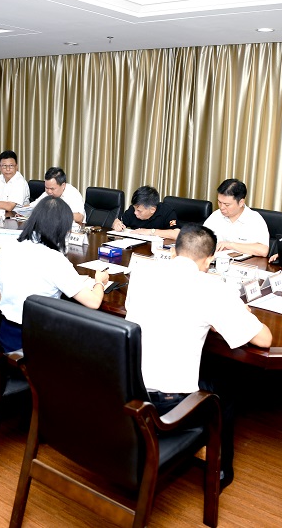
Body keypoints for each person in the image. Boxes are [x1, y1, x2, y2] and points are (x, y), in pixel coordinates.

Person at [125, 223, 272, 490]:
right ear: (209, 260)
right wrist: (241, 314)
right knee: (225, 390)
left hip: (129, 388)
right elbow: (264, 339)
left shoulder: (141, 272)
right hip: (167, 405)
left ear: (174, 250)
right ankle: (220, 471)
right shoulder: (213, 287)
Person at [0, 197, 108, 353]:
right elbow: (93, 302)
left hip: (7, 337)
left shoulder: (7, 248)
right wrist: (99, 281)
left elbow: (1, 295)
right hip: (40, 342)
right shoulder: (55, 260)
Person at [203, 179, 269, 257]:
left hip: (246, 263)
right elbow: (201, 240)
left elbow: (263, 251)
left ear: (241, 202)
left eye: (227, 204)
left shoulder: (254, 219)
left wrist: (231, 245)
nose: (221, 207)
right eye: (219, 202)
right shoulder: (216, 216)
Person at [112, 186, 180, 239]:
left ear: (152, 210)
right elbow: (118, 221)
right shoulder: (133, 209)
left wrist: (150, 231)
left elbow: (177, 234)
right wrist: (116, 224)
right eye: (134, 209)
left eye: (139, 211)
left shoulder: (167, 211)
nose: (135, 213)